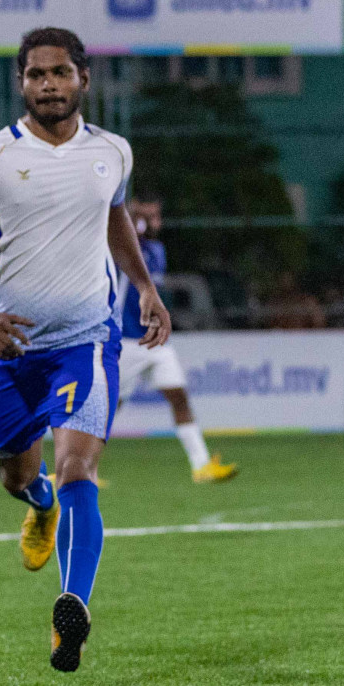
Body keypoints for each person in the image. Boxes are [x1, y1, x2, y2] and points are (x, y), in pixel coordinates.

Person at [0, 27, 171, 675]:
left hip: (87, 343)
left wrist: (145, 288)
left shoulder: (112, 153)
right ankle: (36, 506)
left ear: (83, 79)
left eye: (60, 73)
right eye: (36, 74)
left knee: (77, 470)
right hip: (12, 350)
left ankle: (73, 607)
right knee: (19, 476)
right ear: (21, 83)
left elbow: (115, 217)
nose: (49, 84)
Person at [117, 196, 236, 483]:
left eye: (156, 216)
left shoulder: (157, 250)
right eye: (146, 216)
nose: (153, 222)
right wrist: (130, 223)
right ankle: (76, 470)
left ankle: (201, 466)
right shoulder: (118, 247)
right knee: (105, 409)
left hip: (156, 342)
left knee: (179, 397)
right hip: (125, 342)